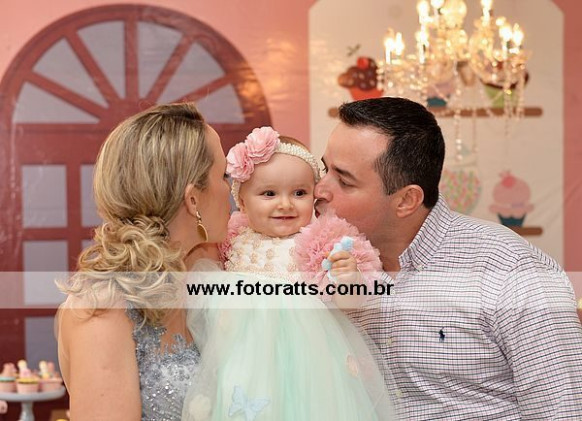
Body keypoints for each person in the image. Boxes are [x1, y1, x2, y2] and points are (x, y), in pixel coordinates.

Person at [314, 96, 582, 420]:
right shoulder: (320, 264)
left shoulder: (510, 268)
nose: (319, 189)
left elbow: (562, 410)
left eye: (344, 180)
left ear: (406, 201)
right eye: (324, 169)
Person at [183, 126, 394, 421]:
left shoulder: (320, 241)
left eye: (299, 193)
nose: (285, 204)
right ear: (242, 202)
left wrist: (348, 279)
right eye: (269, 193)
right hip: (242, 358)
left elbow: (351, 304)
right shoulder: (231, 238)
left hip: (305, 365)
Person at [56, 103, 231, 420]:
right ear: (193, 199)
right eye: (224, 176)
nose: (231, 191)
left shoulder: (204, 278)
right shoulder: (104, 307)